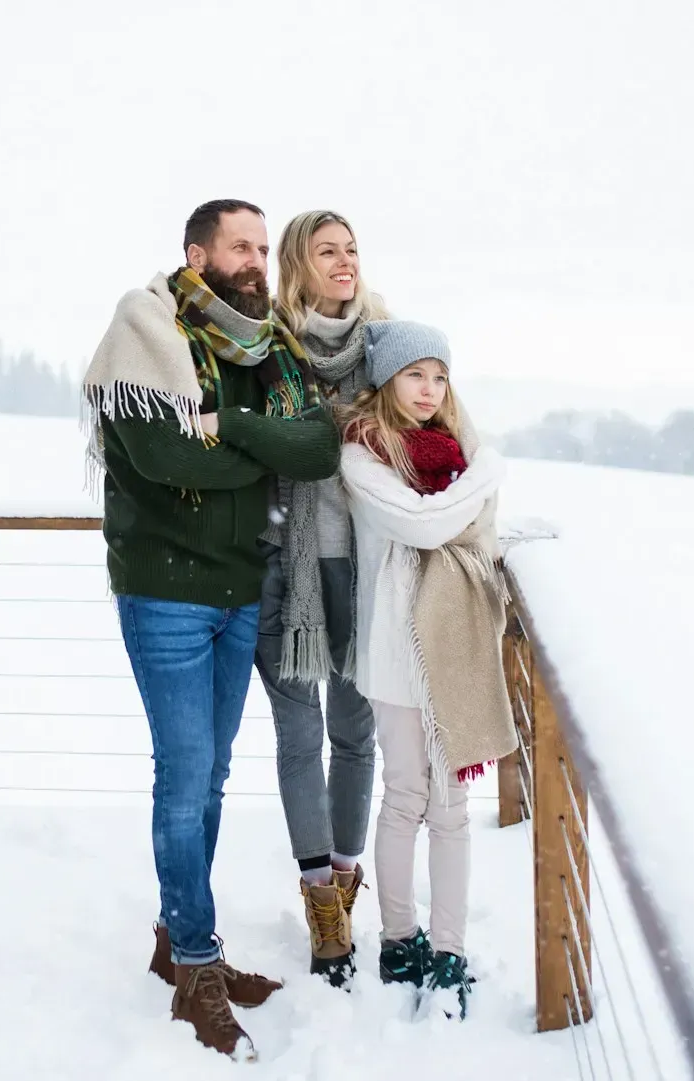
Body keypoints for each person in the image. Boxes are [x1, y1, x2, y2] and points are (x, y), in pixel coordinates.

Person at [80, 198, 342, 1059]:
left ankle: (177, 938)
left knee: (213, 772)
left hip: (238, 590)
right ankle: (198, 960)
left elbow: (317, 448)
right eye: (242, 245)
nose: (259, 259)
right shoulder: (145, 330)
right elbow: (164, 459)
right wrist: (258, 450)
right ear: (197, 253)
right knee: (186, 770)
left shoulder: (267, 349)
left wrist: (229, 427)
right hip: (166, 591)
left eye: (265, 247)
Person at [338, 320, 515, 1020]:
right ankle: (397, 938)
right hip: (394, 651)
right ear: (387, 379)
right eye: (416, 374)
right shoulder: (363, 455)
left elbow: (465, 523)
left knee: (452, 808)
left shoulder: (453, 452)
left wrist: (475, 474)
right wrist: (488, 474)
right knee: (407, 793)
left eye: (439, 377)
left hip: (452, 648)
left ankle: (449, 950)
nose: (429, 389)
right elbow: (425, 524)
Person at [256, 210, 390, 986]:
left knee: (355, 735)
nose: (344, 263)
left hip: (367, 569)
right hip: (286, 566)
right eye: (326, 251)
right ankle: (319, 900)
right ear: (297, 265)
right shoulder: (265, 347)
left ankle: (346, 876)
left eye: (351, 250)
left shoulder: (385, 345)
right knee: (299, 736)